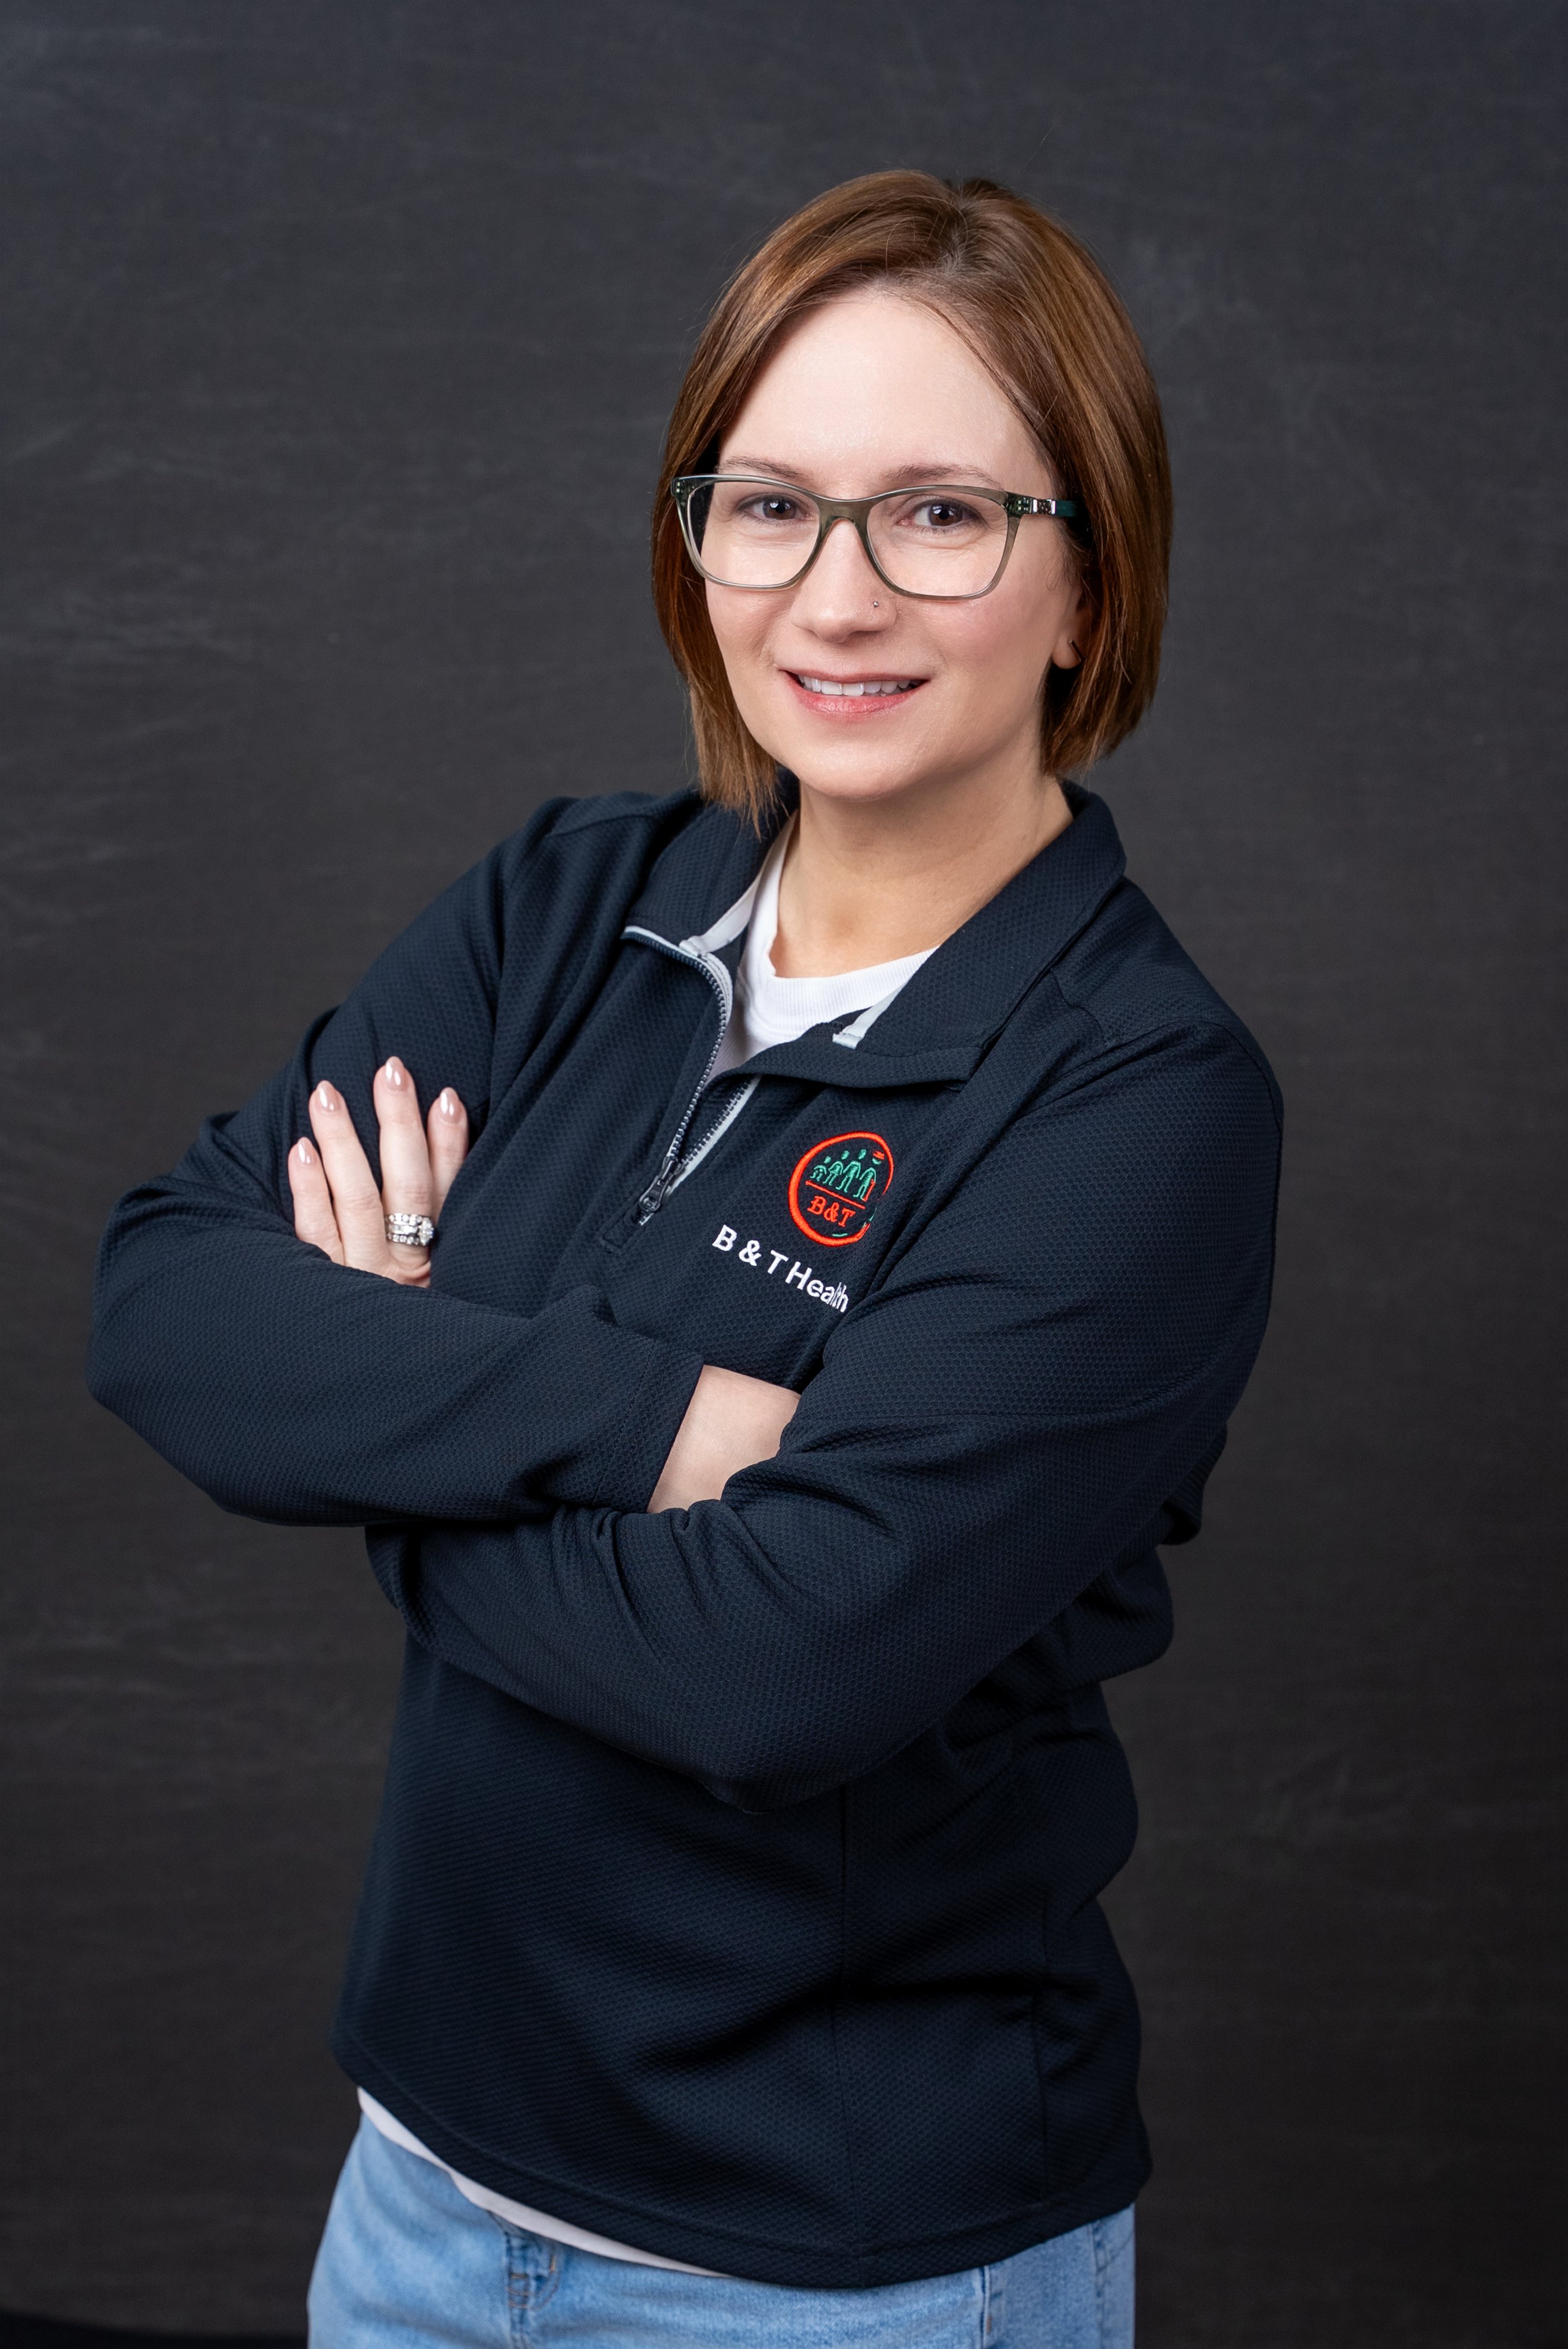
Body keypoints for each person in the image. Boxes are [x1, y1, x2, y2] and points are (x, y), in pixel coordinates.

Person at [89, 170, 1281, 2347]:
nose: (834, 596)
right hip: (420, 2191)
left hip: (842, 2275)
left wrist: (386, 1422)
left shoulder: (1141, 1100)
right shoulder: (564, 904)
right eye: (767, 505)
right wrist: (647, 1418)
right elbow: (166, 1295)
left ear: (1087, 585)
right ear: (695, 543)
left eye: (939, 514)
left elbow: (782, 1667)